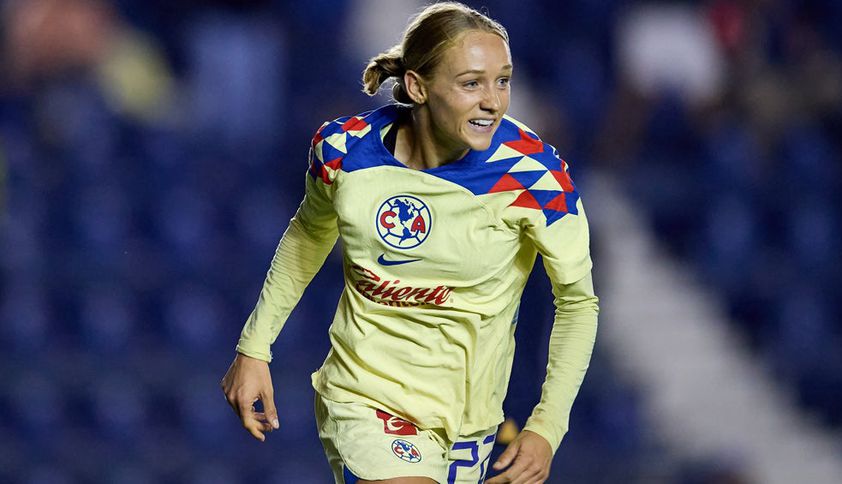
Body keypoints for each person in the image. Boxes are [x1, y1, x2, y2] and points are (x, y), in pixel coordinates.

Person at [220, 2, 599, 483]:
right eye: (471, 84)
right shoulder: (343, 150)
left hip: (472, 425)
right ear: (418, 87)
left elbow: (577, 301)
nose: (493, 101)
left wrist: (547, 425)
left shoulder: (536, 176)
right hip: (365, 400)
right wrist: (255, 346)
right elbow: (308, 235)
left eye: (502, 81)